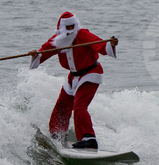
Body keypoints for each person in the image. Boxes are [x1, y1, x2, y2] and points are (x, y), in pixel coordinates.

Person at [29, 12, 117, 150]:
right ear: (61, 28)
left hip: (91, 73)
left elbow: (99, 44)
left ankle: (89, 139)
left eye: (73, 26)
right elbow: (44, 52)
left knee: (80, 106)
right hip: (73, 77)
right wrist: (36, 55)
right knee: (62, 104)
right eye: (67, 27)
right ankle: (58, 134)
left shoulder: (83, 34)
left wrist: (110, 44)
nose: (71, 30)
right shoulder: (57, 40)